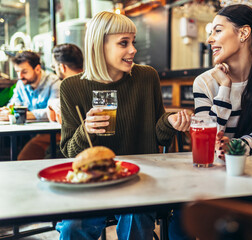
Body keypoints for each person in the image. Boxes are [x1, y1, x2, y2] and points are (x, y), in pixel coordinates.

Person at [56, 11, 191, 240]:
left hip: (141, 178)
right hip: (93, 181)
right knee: (72, 227)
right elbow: (70, 151)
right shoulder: (71, 87)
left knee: (135, 217)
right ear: (100, 46)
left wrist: (169, 122)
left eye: (133, 42)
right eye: (123, 43)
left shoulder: (147, 77)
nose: (133, 50)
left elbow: (160, 136)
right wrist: (86, 129)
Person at [169, 4, 252, 240]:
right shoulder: (204, 82)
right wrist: (225, 87)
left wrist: (235, 148)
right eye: (210, 33)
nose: (210, 40)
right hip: (210, 174)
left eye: (217, 31)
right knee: (178, 224)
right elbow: (208, 139)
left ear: (243, 33)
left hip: (250, 172)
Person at [0, 51, 61, 160]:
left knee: (23, 159)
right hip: (32, 133)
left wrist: (23, 115)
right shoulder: (21, 84)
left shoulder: (54, 82)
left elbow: (54, 113)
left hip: (54, 135)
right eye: (17, 72)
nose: (20, 76)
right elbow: (14, 103)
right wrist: (8, 111)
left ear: (37, 68)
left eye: (24, 71)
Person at [48, 43, 84, 124]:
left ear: (62, 67)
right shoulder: (92, 82)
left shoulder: (68, 87)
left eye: (54, 67)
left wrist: (51, 103)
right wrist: (51, 103)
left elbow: (57, 120)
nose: (55, 71)